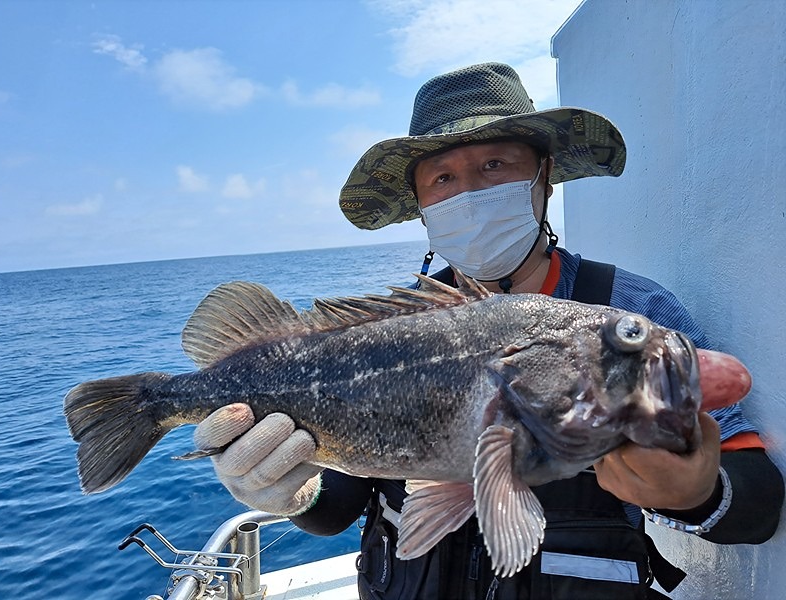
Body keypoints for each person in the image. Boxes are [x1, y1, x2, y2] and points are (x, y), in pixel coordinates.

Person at [195, 63, 784, 599]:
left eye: (495, 164)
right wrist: (290, 490)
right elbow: (338, 507)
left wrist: (696, 491)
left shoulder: (632, 313)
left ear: (544, 177)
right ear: (422, 206)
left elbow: (757, 504)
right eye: (443, 177)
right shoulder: (384, 336)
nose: (471, 191)